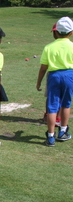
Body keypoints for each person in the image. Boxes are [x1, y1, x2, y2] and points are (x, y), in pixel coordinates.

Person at [36, 16, 73, 146]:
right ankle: (63, 131)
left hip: (54, 76)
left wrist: (39, 81)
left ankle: (51, 136)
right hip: (69, 75)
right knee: (66, 104)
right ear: (71, 32)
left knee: (52, 106)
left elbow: (43, 68)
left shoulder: (49, 47)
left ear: (56, 32)